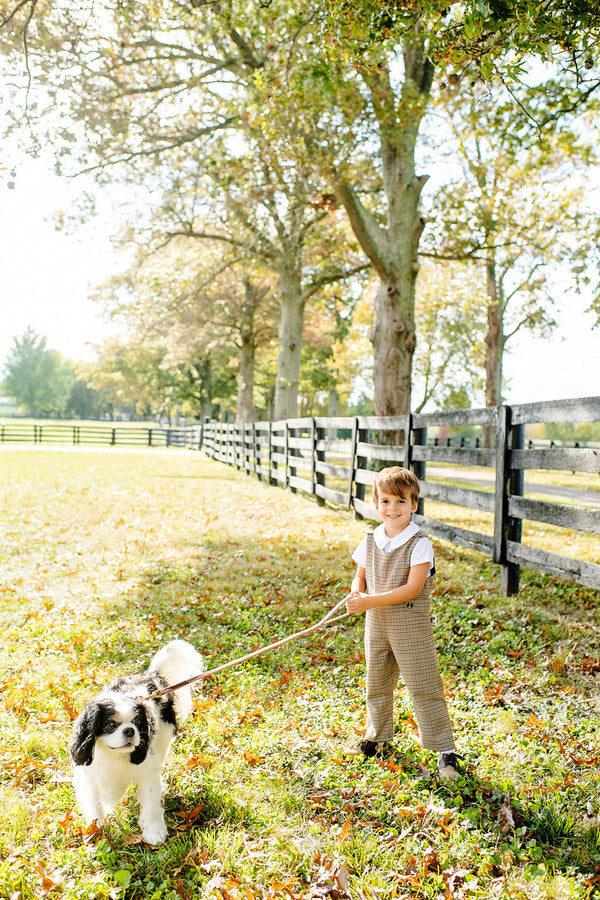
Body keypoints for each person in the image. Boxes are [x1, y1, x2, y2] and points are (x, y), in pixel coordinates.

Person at [344, 466, 460, 781]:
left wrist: (368, 601)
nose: (392, 509)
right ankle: (377, 737)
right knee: (377, 681)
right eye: (385, 502)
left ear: (413, 505)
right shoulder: (371, 538)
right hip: (377, 623)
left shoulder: (419, 543)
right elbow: (361, 574)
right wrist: (357, 591)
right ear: (375, 504)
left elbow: (412, 589)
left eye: (400, 502)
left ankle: (444, 751)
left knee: (423, 685)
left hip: (409, 623)